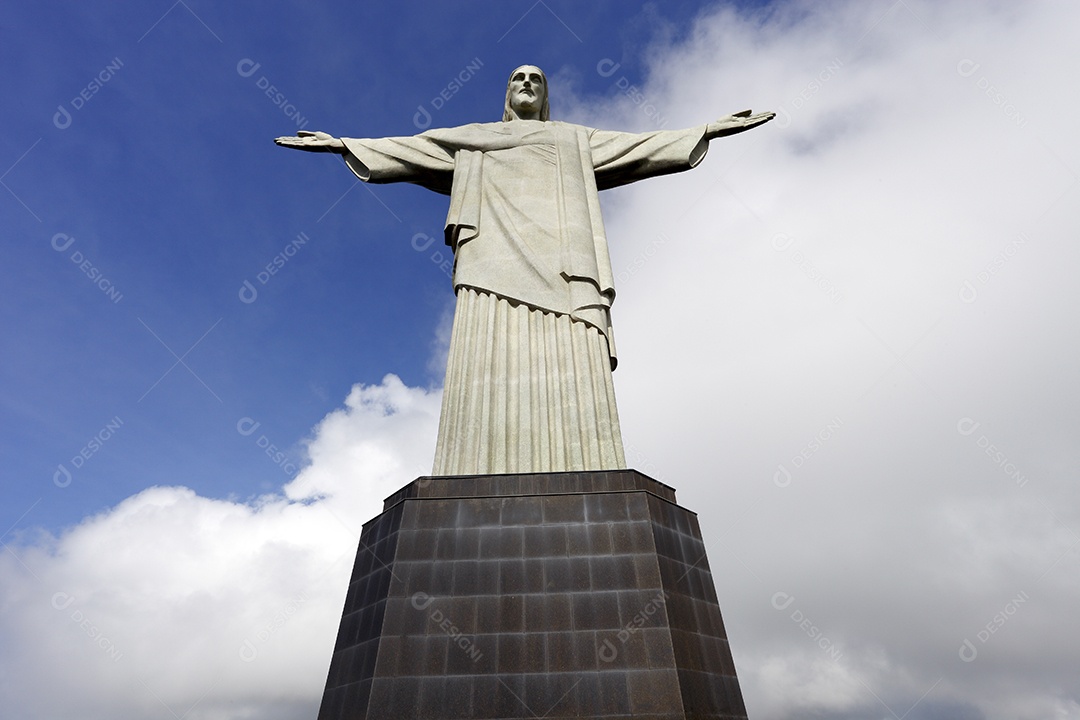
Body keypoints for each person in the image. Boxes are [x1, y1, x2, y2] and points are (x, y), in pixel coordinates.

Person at [276, 65, 773, 476]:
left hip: (564, 266)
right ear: (507, 93)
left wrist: (704, 130)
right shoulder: (474, 139)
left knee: (573, 349)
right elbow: (413, 149)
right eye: (519, 79)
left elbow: (638, 147)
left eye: (537, 80)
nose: (528, 85)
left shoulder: (573, 139)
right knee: (488, 348)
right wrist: (344, 144)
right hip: (491, 261)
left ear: (546, 95)